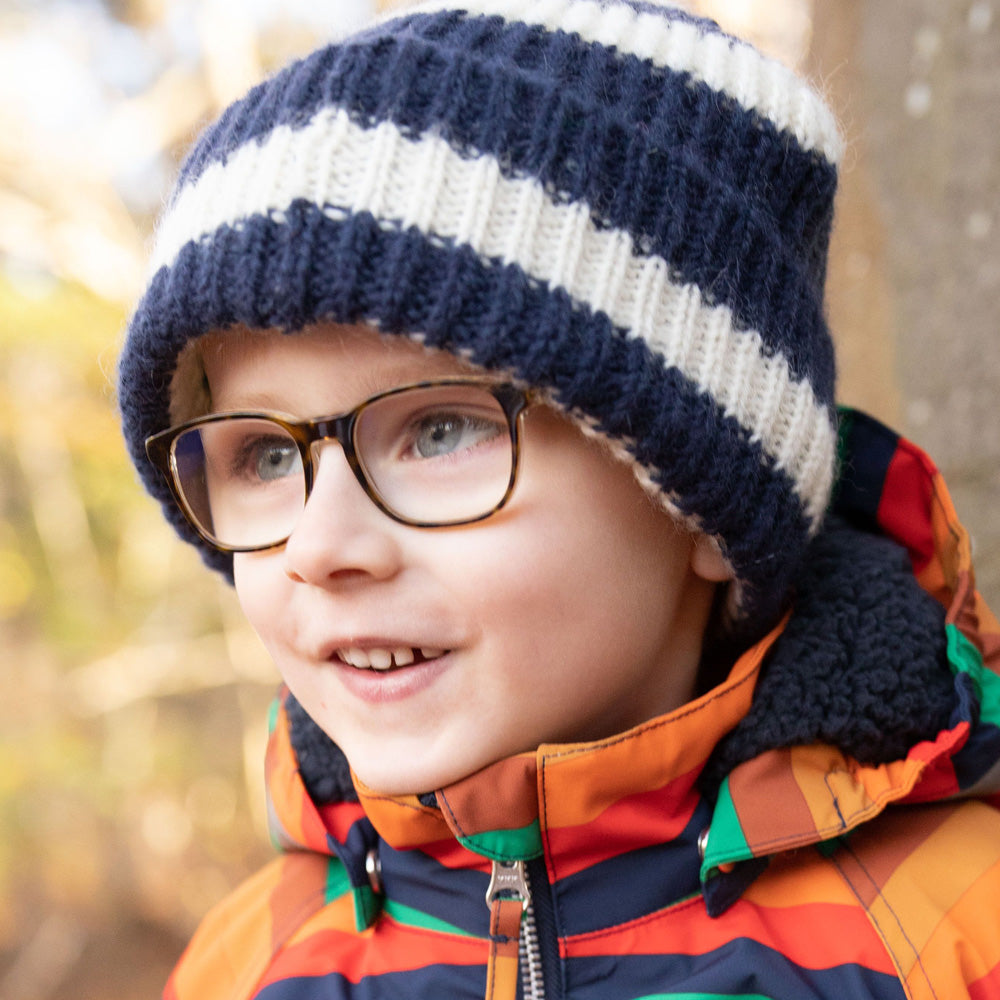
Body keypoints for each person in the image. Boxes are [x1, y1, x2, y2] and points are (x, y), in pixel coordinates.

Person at [117, 1, 1000, 997]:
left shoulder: (952, 934)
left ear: (702, 498)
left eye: (439, 430)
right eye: (266, 459)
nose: (321, 547)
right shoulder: (250, 966)